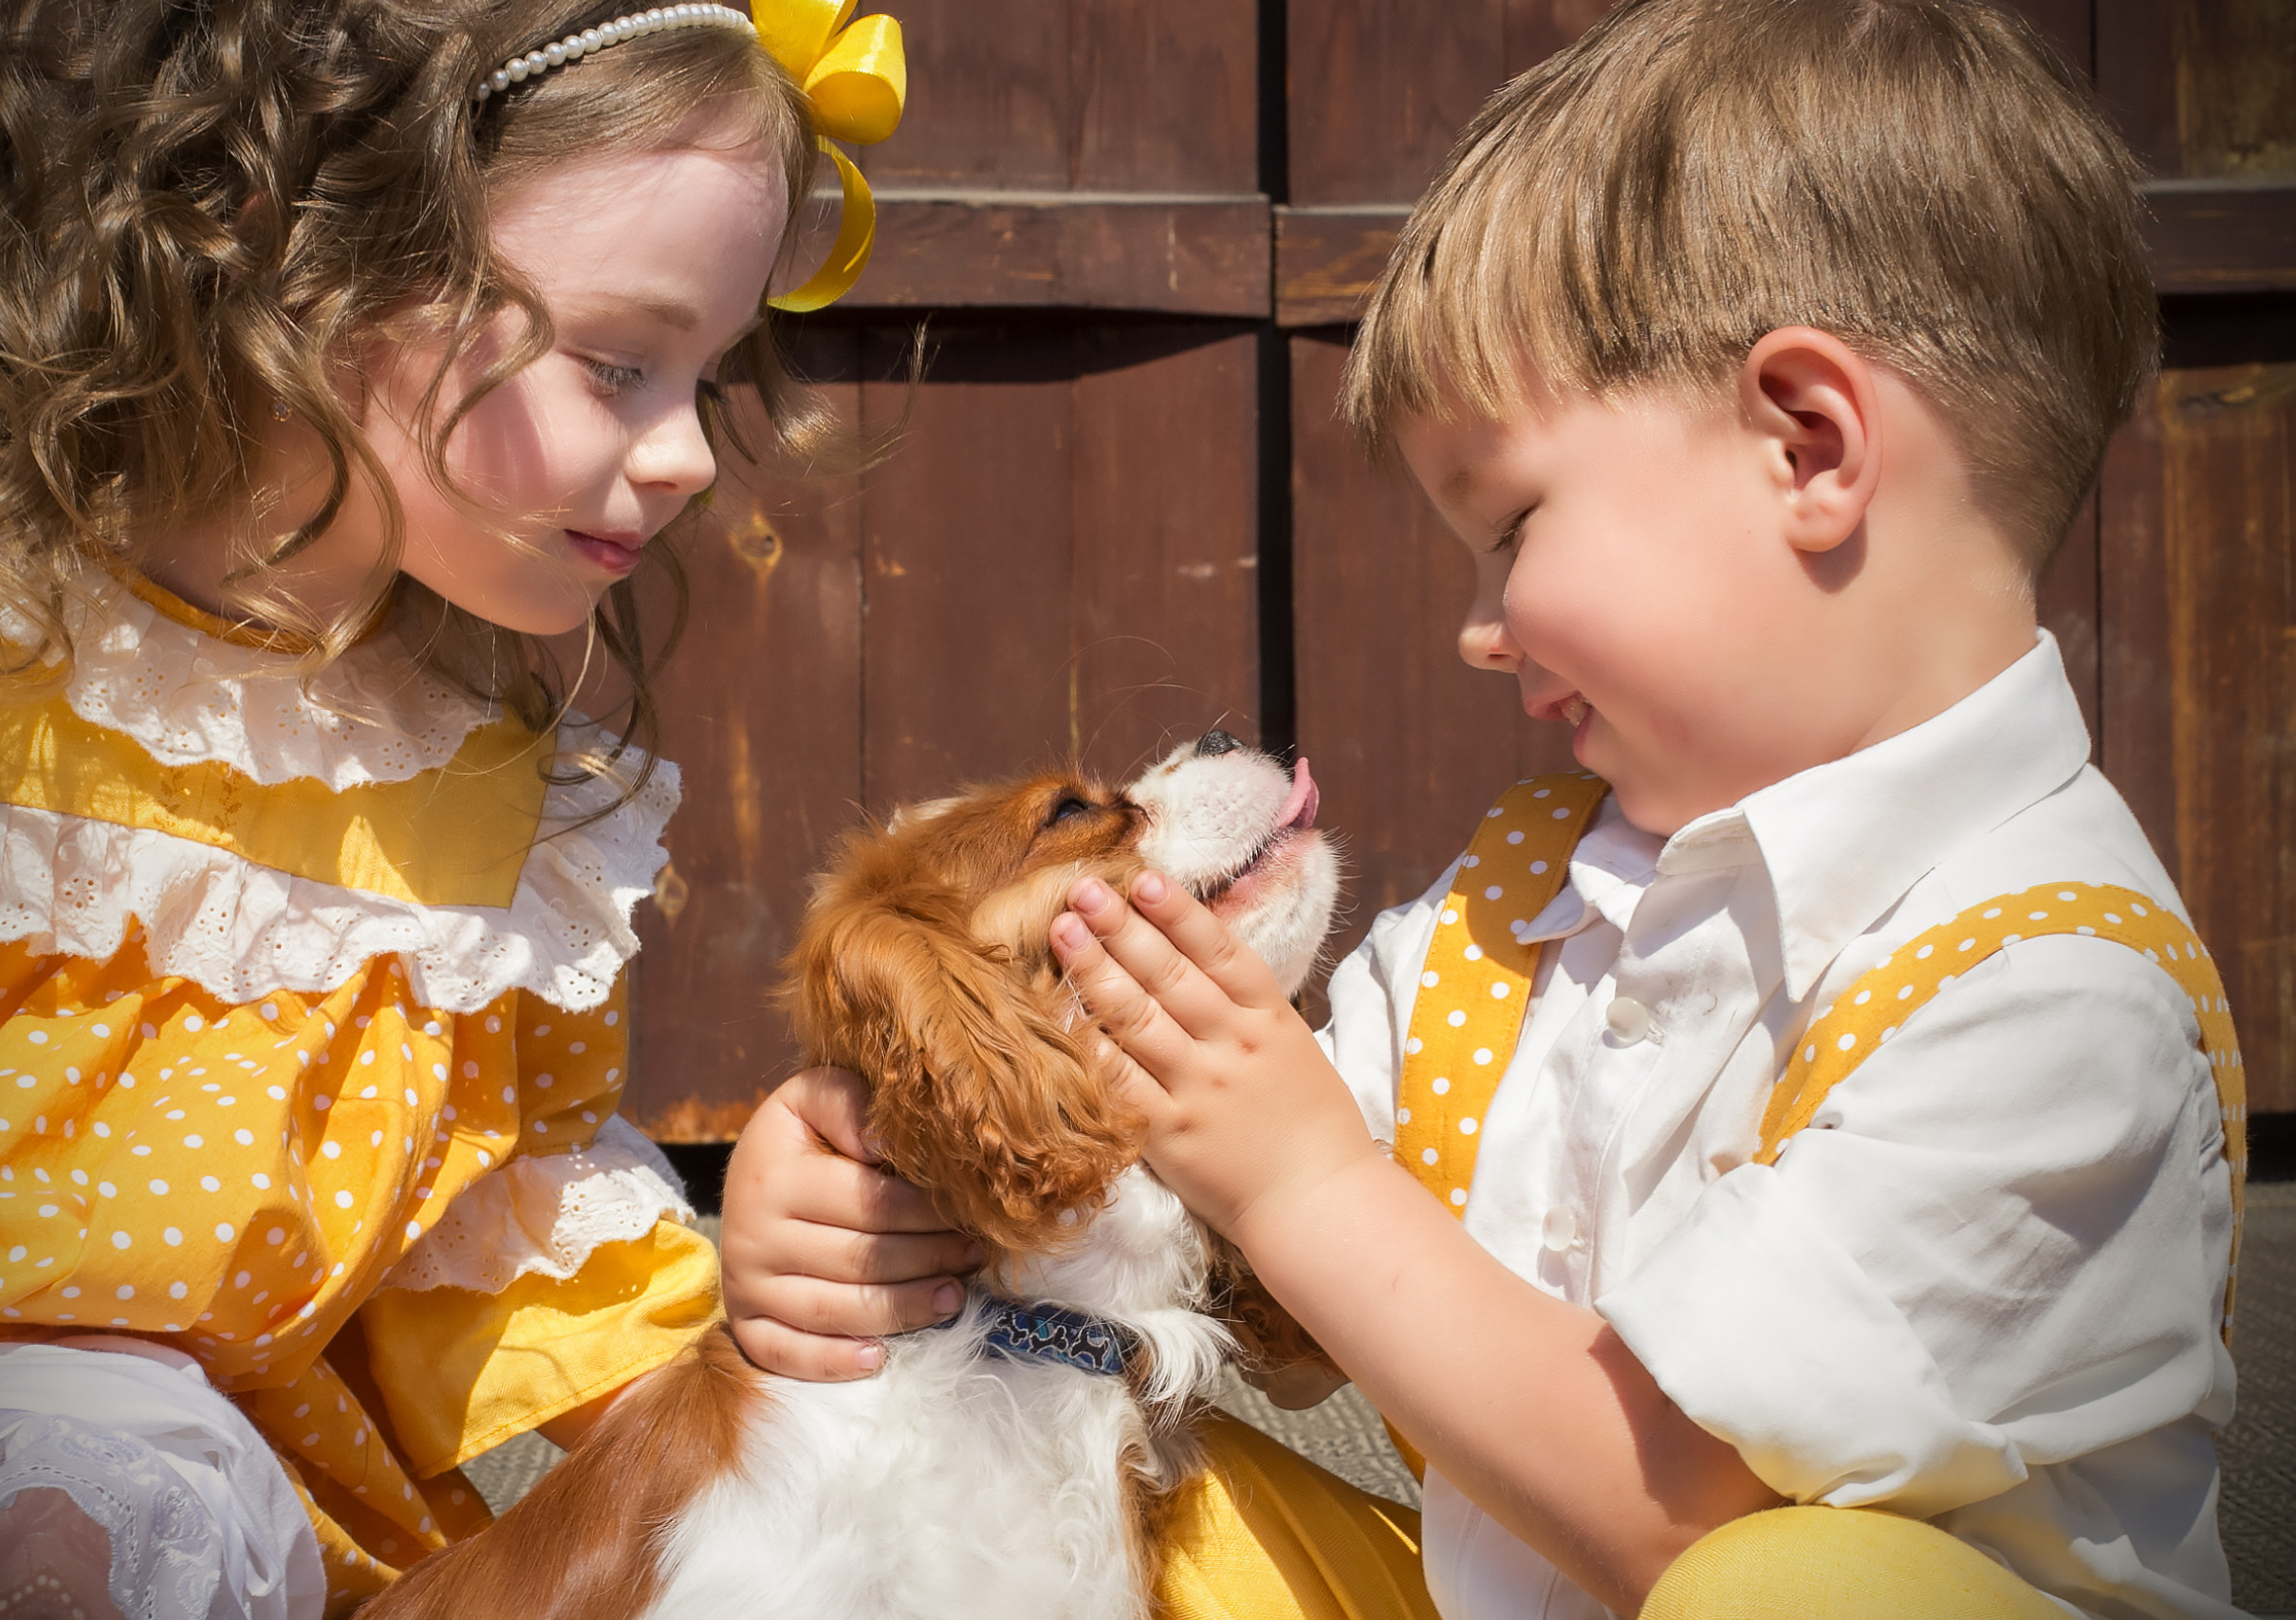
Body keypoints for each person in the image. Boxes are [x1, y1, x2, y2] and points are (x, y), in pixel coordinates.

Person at [725, 2, 2248, 1617]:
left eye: (1513, 529)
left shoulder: (2047, 997)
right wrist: (841, 1172)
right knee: (1057, 1471)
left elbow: (1679, 1522)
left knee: (1802, 1586)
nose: (1479, 621)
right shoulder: (1539, 891)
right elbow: (1251, 1270)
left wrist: (1303, 1182)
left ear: (1809, 446)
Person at [0, 2, 905, 1614]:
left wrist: (789, 1398)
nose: (695, 452)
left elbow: (488, 1213)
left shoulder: (472, 784)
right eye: (621, 362)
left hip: (238, 1515)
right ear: (307, 257)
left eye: (708, 372)